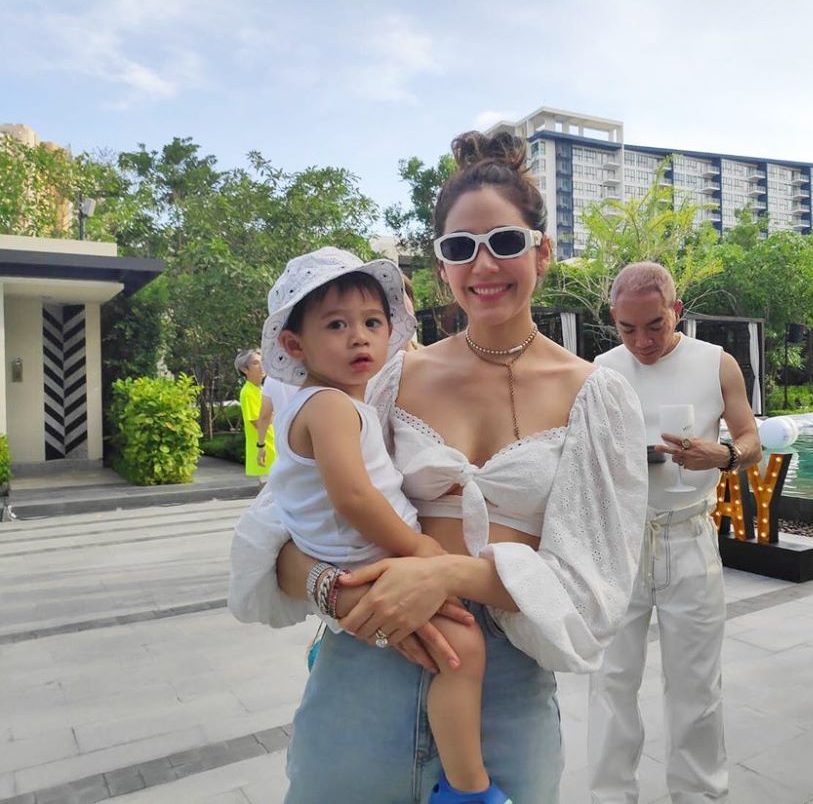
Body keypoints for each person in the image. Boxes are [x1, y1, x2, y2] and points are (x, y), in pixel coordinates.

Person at [229, 129, 648, 804]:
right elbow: (273, 534)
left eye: (504, 242)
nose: (484, 265)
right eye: (460, 247)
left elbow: (595, 589)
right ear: (441, 265)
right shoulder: (384, 379)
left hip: (504, 687)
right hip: (367, 661)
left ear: (542, 250)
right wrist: (336, 592)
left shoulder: (596, 396)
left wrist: (447, 572)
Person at [261, 247, 506, 803]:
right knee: (463, 649)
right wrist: (418, 547)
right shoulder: (330, 407)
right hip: (365, 560)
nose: (359, 338)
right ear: (294, 345)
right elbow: (353, 497)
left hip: (356, 559)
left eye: (372, 323)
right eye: (336, 325)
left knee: (451, 647)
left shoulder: (337, 403)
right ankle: (469, 788)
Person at [587, 262, 762, 804]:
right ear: (613, 320)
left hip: (688, 533)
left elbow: (751, 440)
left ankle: (700, 796)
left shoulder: (715, 363)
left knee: (696, 684)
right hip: (621, 538)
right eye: (627, 328)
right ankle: (611, 797)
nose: (642, 341)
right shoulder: (601, 369)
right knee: (611, 681)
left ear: (676, 311)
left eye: (654, 325)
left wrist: (724, 455)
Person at [235, 349, 274, 480]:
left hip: (273, 446)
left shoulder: (261, 389)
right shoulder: (248, 393)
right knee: (267, 488)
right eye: (256, 363)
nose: (262, 365)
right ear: (244, 369)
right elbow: (258, 422)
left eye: (262, 361)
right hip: (264, 448)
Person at [255, 375, 298, 465]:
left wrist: (261, 445)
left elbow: (264, 416)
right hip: (313, 436)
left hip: (283, 439)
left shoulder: (272, 379)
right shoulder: (316, 373)